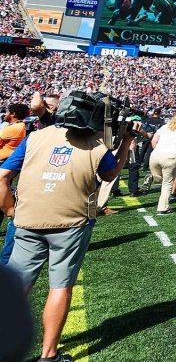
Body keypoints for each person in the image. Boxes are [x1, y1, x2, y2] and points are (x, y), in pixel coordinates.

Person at [0, 90, 135, 362]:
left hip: (28, 219)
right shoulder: (96, 146)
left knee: (17, 288)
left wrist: (10, 209)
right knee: (60, 286)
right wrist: (125, 142)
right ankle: (48, 355)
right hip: (71, 222)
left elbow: (3, 176)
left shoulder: (36, 136)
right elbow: (110, 174)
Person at [0, 103, 30, 264]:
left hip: (4, 164)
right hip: (10, 164)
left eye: (6, 111)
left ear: (13, 113)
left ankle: (7, 257)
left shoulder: (11, 129)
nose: (4, 113)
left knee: (8, 204)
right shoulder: (20, 127)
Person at [148, 109, 176, 215]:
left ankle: (152, 177)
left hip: (155, 155)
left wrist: (158, 150)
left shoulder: (164, 127)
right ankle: (162, 208)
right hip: (172, 156)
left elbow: (154, 140)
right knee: (167, 183)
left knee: (158, 178)